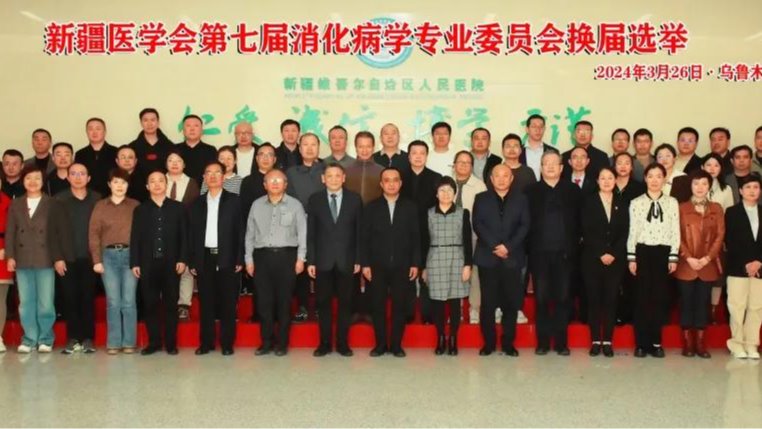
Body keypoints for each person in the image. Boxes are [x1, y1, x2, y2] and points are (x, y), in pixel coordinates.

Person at [5, 166, 68, 353]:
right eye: (28, 178)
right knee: (26, 302)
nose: (32, 182)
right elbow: (10, 232)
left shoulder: (52, 203)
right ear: (23, 181)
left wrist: (59, 258)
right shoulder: (16, 204)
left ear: (43, 181)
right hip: (22, 258)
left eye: (37, 178)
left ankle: (46, 338)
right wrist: (10, 256)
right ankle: (29, 338)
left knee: (46, 302)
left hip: (45, 258)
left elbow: (58, 233)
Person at [245, 169, 307, 356]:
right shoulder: (256, 205)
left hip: (287, 257)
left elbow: (302, 234)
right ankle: (266, 342)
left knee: (284, 302)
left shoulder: (295, 205)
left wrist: (301, 258)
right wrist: (249, 259)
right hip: (262, 257)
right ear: (264, 185)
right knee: (264, 302)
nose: (275, 183)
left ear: (285, 184)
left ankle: (282, 343)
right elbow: (249, 234)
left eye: (279, 180)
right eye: (270, 180)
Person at [527, 151, 582, 355]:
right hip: (539, 254)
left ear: (561, 168)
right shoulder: (530, 191)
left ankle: (561, 343)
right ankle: (542, 342)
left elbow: (580, 222)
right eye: (546, 163)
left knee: (563, 298)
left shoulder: (573, 191)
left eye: (554, 163)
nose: (550, 166)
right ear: (541, 168)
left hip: (565, 255)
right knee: (541, 299)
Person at [361, 167, 420, 358]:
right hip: (376, 265)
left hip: (403, 265)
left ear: (400, 183)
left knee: (399, 307)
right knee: (377, 306)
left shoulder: (410, 207)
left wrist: (415, 263)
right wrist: (365, 264)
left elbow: (416, 237)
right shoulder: (371, 207)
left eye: (395, 180)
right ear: (381, 184)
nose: (391, 184)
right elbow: (364, 238)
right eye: (387, 180)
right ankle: (380, 345)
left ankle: (396, 345)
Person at [472, 165, 530, 356]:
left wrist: (508, 247)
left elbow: (524, 225)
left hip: (512, 258)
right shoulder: (481, 198)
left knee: (511, 304)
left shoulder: (521, 199)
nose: (502, 179)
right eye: (497, 175)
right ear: (491, 178)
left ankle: (508, 344)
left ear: (511, 179)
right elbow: (478, 224)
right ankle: (488, 344)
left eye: (506, 175)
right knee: (488, 304)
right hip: (488, 258)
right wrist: (496, 246)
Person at [307, 163, 363, 357]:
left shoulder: (355, 199)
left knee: (345, 304)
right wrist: (311, 260)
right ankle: (324, 343)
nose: (333, 179)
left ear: (344, 178)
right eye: (329, 176)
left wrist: (358, 259)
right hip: (322, 261)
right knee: (323, 304)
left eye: (337, 175)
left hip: (347, 260)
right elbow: (311, 233)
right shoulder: (315, 200)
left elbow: (359, 232)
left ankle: (342, 343)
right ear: (323, 179)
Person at [130, 170, 188, 356]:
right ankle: (154, 342)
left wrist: (183, 259)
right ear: (147, 186)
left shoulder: (178, 208)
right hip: (148, 264)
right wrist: (135, 262)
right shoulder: (140, 210)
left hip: (172, 264)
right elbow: (135, 238)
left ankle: (171, 344)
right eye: (152, 181)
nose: (157, 184)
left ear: (166, 184)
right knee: (150, 304)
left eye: (161, 181)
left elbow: (184, 236)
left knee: (171, 304)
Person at [189, 162, 244, 356]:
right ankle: (206, 343)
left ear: (223, 177)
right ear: (204, 177)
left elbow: (241, 231)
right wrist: (193, 260)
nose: (212, 176)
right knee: (206, 302)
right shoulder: (196, 203)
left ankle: (227, 343)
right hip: (204, 257)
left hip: (227, 256)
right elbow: (191, 234)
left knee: (228, 302)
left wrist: (239, 258)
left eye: (217, 172)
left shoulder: (235, 201)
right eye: (208, 173)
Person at [627, 163, 680, 358]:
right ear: (645, 179)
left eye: (659, 176)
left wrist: (673, 255)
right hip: (642, 251)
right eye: (651, 176)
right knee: (641, 299)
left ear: (664, 179)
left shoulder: (672, 202)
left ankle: (657, 343)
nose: (655, 180)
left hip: (663, 253)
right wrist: (631, 257)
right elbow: (632, 230)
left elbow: (675, 230)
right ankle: (641, 344)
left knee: (659, 298)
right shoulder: (636, 202)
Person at [88, 169, 140, 355]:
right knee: (113, 301)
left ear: (128, 185)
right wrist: (96, 260)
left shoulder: (135, 205)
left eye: (123, 182)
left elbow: (142, 235)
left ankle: (129, 342)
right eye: (116, 182)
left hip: (130, 256)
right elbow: (94, 234)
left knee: (129, 301)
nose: (119, 186)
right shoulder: (100, 206)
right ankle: (114, 342)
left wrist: (139, 260)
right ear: (109, 184)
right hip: (108, 257)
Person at [675, 170, 724, 359]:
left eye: (704, 183)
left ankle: (701, 344)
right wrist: (688, 257)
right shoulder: (681, 207)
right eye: (696, 183)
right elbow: (676, 235)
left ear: (709, 186)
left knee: (703, 303)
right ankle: (688, 343)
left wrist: (707, 258)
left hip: (707, 264)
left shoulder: (716, 208)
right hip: (686, 264)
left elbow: (720, 235)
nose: (700, 187)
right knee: (686, 302)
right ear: (690, 186)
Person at [421, 176, 473, 356]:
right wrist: (423, 267)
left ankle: (453, 338)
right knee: (437, 302)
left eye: (449, 190)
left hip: (457, 258)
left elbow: (467, 240)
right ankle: (441, 337)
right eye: (442, 190)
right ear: (436, 194)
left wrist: (468, 264)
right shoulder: (428, 213)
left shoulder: (463, 213)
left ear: (454, 193)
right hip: (434, 258)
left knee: (455, 301)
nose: (445, 194)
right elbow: (424, 241)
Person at [582, 167, 629, 357]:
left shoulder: (623, 202)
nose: (607, 181)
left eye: (610, 178)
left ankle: (608, 341)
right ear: (597, 181)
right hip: (592, 259)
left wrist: (613, 253)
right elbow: (586, 230)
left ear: (615, 180)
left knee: (611, 299)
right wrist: (601, 252)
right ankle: (595, 341)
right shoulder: (588, 202)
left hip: (616, 260)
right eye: (603, 178)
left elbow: (625, 231)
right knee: (594, 299)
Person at [56, 163, 101, 354]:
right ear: (67, 177)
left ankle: (89, 338)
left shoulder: (97, 199)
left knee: (88, 298)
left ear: (88, 178)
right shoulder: (59, 200)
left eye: (82, 173)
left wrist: (99, 257)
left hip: (91, 258)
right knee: (70, 298)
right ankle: (73, 338)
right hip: (67, 258)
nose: (78, 177)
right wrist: (57, 257)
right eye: (73, 173)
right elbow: (53, 231)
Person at [402, 140, 442, 324]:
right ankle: (408, 313)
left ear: (427, 156)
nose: (418, 156)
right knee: (407, 274)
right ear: (409, 156)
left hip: (429, 232)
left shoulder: (436, 177)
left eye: (422, 153)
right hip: (404, 233)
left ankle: (427, 314)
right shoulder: (399, 177)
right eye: (414, 153)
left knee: (427, 273)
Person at [286, 133, 325, 322]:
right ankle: (302, 306)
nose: (309, 148)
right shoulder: (291, 172)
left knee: (321, 265)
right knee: (300, 265)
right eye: (305, 145)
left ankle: (320, 307)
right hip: (297, 225)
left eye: (313, 144)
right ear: (299, 148)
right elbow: (288, 200)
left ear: (318, 147)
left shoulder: (328, 170)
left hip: (323, 226)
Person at [724, 174, 762, 360]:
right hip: (737, 267)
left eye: (755, 187)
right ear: (740, 191)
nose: (752, 191)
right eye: (748, 187)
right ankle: (737, 344)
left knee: (756, 307)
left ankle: (752, 344)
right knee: (737, 307)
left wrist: (758, 261)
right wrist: (746, 263)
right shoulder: (732, 212)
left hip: (760, 268)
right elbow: (730, 240)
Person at [452, 151, 488, 324]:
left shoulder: (479, 185)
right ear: (454, 165)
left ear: (472, 166)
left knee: (474, 272)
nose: (464, 165)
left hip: (473, 235)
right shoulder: (446, 182)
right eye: (460, 162)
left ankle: (474, 308)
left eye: (468, 162)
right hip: (450, 237)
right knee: (454, 272)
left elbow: (484, 213)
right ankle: (456, 309)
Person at [165, 151, 201, 321]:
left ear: (184, 164)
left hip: (186, 230)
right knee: (166, 267)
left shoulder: (192, 183)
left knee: (186, 268)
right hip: (163, 232)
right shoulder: (158, 180)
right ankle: (168, 303)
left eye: (178, 160)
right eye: (171, 160)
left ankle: (184, 305)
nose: (174, 163)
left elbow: (195, 209)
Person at [612, 152, 645, 326]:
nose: (623, 166)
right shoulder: (608, 185)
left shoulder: (639, 188)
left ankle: (628, 314)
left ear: (632, 167)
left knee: (630, 280)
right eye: (619, 163)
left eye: (627, 163)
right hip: (612, 240)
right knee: (613, 280)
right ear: (614, 166)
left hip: (633, 239)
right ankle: (614, 313)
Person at [75, 117, 118, 196]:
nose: (94, 132)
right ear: (86, 132)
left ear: (105, 132)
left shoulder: (116, 152)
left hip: (111, 196)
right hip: (87, 197)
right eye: (90, 129)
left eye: (98, 129)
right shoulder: (80, 154)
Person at [128, 108, 174, 174]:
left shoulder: (170, 146)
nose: (149, 124)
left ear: (158, 122)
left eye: (153, 120)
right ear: (141, 123)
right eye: (145, 120)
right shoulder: (132, 147)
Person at [175, 114, 217, 184]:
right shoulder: (175, 149)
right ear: (183, 131)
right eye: (188, 126)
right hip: (179, 189)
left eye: (196, 126)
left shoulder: (211, 150)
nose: (192, 129)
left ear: (202, 131)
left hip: (204, 189)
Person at [519, 114, 558, 180]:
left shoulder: (553, 152)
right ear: (527, 129)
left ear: (544, 129)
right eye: (534, 126)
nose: (538, 129)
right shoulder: (518, 151)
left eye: (541, 127)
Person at [0, 180, 11, 353]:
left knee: (0, 298)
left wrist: (7, 249)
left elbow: (13, 229)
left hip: (1, 251)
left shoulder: (7, 202)